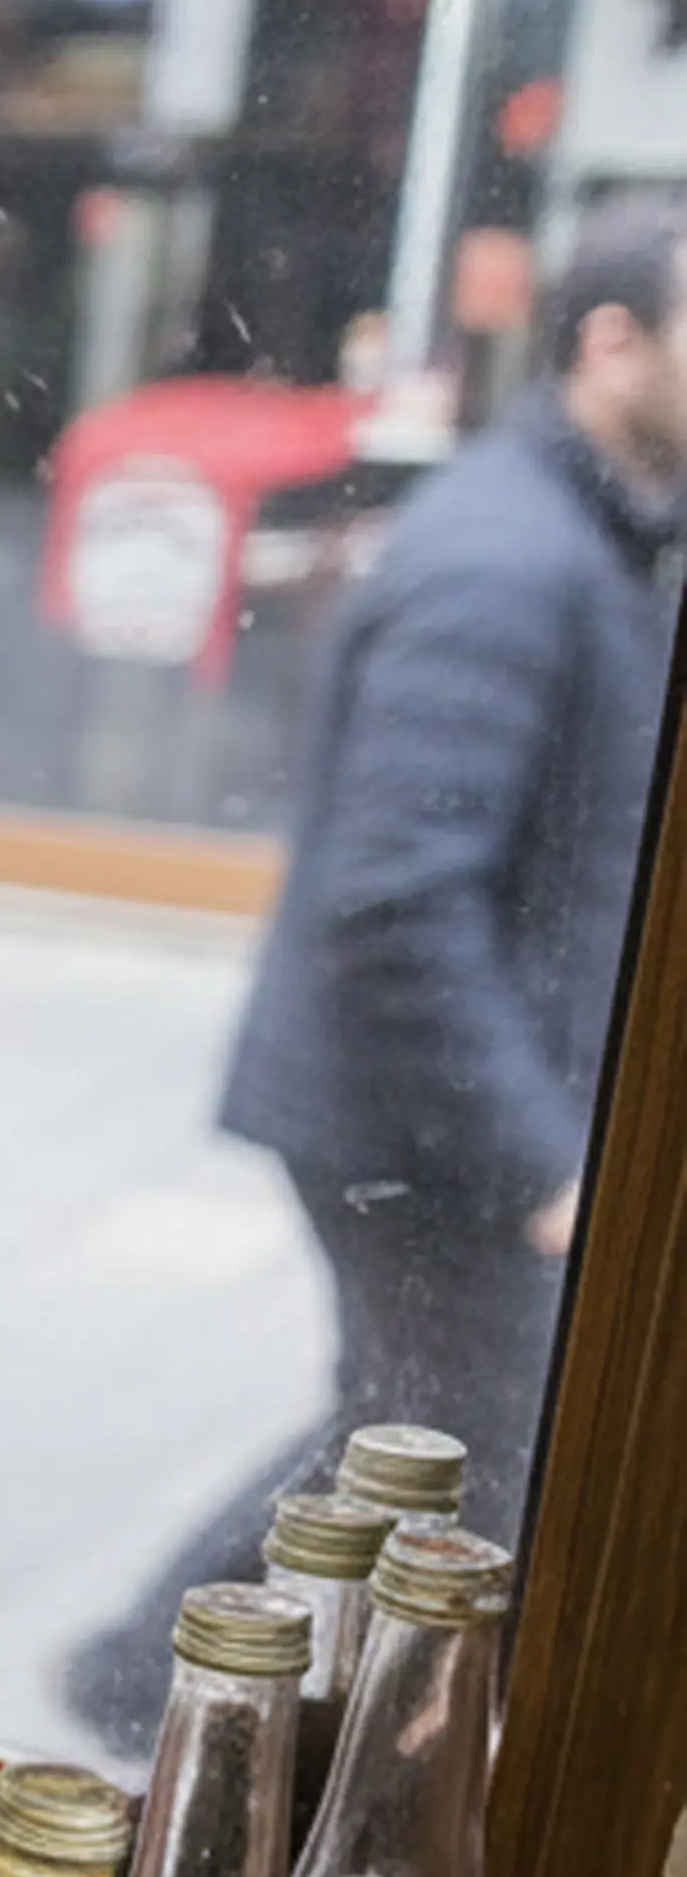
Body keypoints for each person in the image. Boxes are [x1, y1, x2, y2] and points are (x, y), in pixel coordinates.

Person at [58, 195, 687, 1745]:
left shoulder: (593, 533)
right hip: (415, 1123)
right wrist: (542, 1164)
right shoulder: (504, 561)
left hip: (455, 1103)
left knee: (414, 1432)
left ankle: (142, 1678)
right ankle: (169, 1699)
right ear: (610, 344)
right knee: (465, 1457)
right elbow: (393, 902)